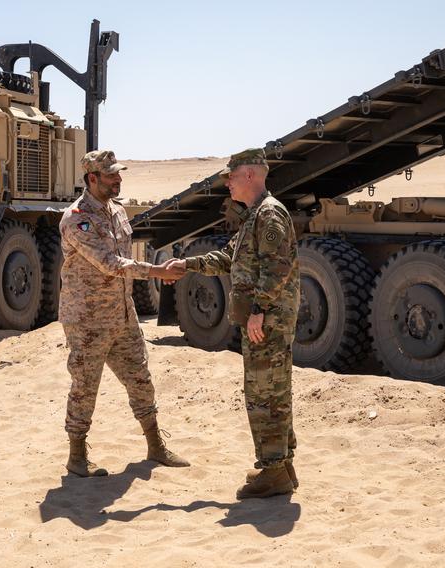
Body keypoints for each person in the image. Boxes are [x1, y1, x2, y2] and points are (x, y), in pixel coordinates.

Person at [166, 148, 300, 499]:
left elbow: (277, 268)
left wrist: (258, 309)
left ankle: (272, 472)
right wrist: (188, 265)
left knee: (264, 394)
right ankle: (281, 464)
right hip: (263, 319)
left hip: (266, 322)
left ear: (251, 175)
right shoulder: (254, 215)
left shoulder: (269, 214)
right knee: (273, 391)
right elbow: (228, 258)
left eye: (231, 175)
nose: (227, 182)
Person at [58, 149, 190, 478]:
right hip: (88, 319)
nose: (118, 179)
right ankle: (77, 455)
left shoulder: (117, 211)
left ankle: (156, 445)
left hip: (123, 315)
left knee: (141, 380)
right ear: (92, 179)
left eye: (119, 173)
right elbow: (110, 264)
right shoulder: (77, 218)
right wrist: (157, 272)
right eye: (112, 175)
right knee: (85, 386)